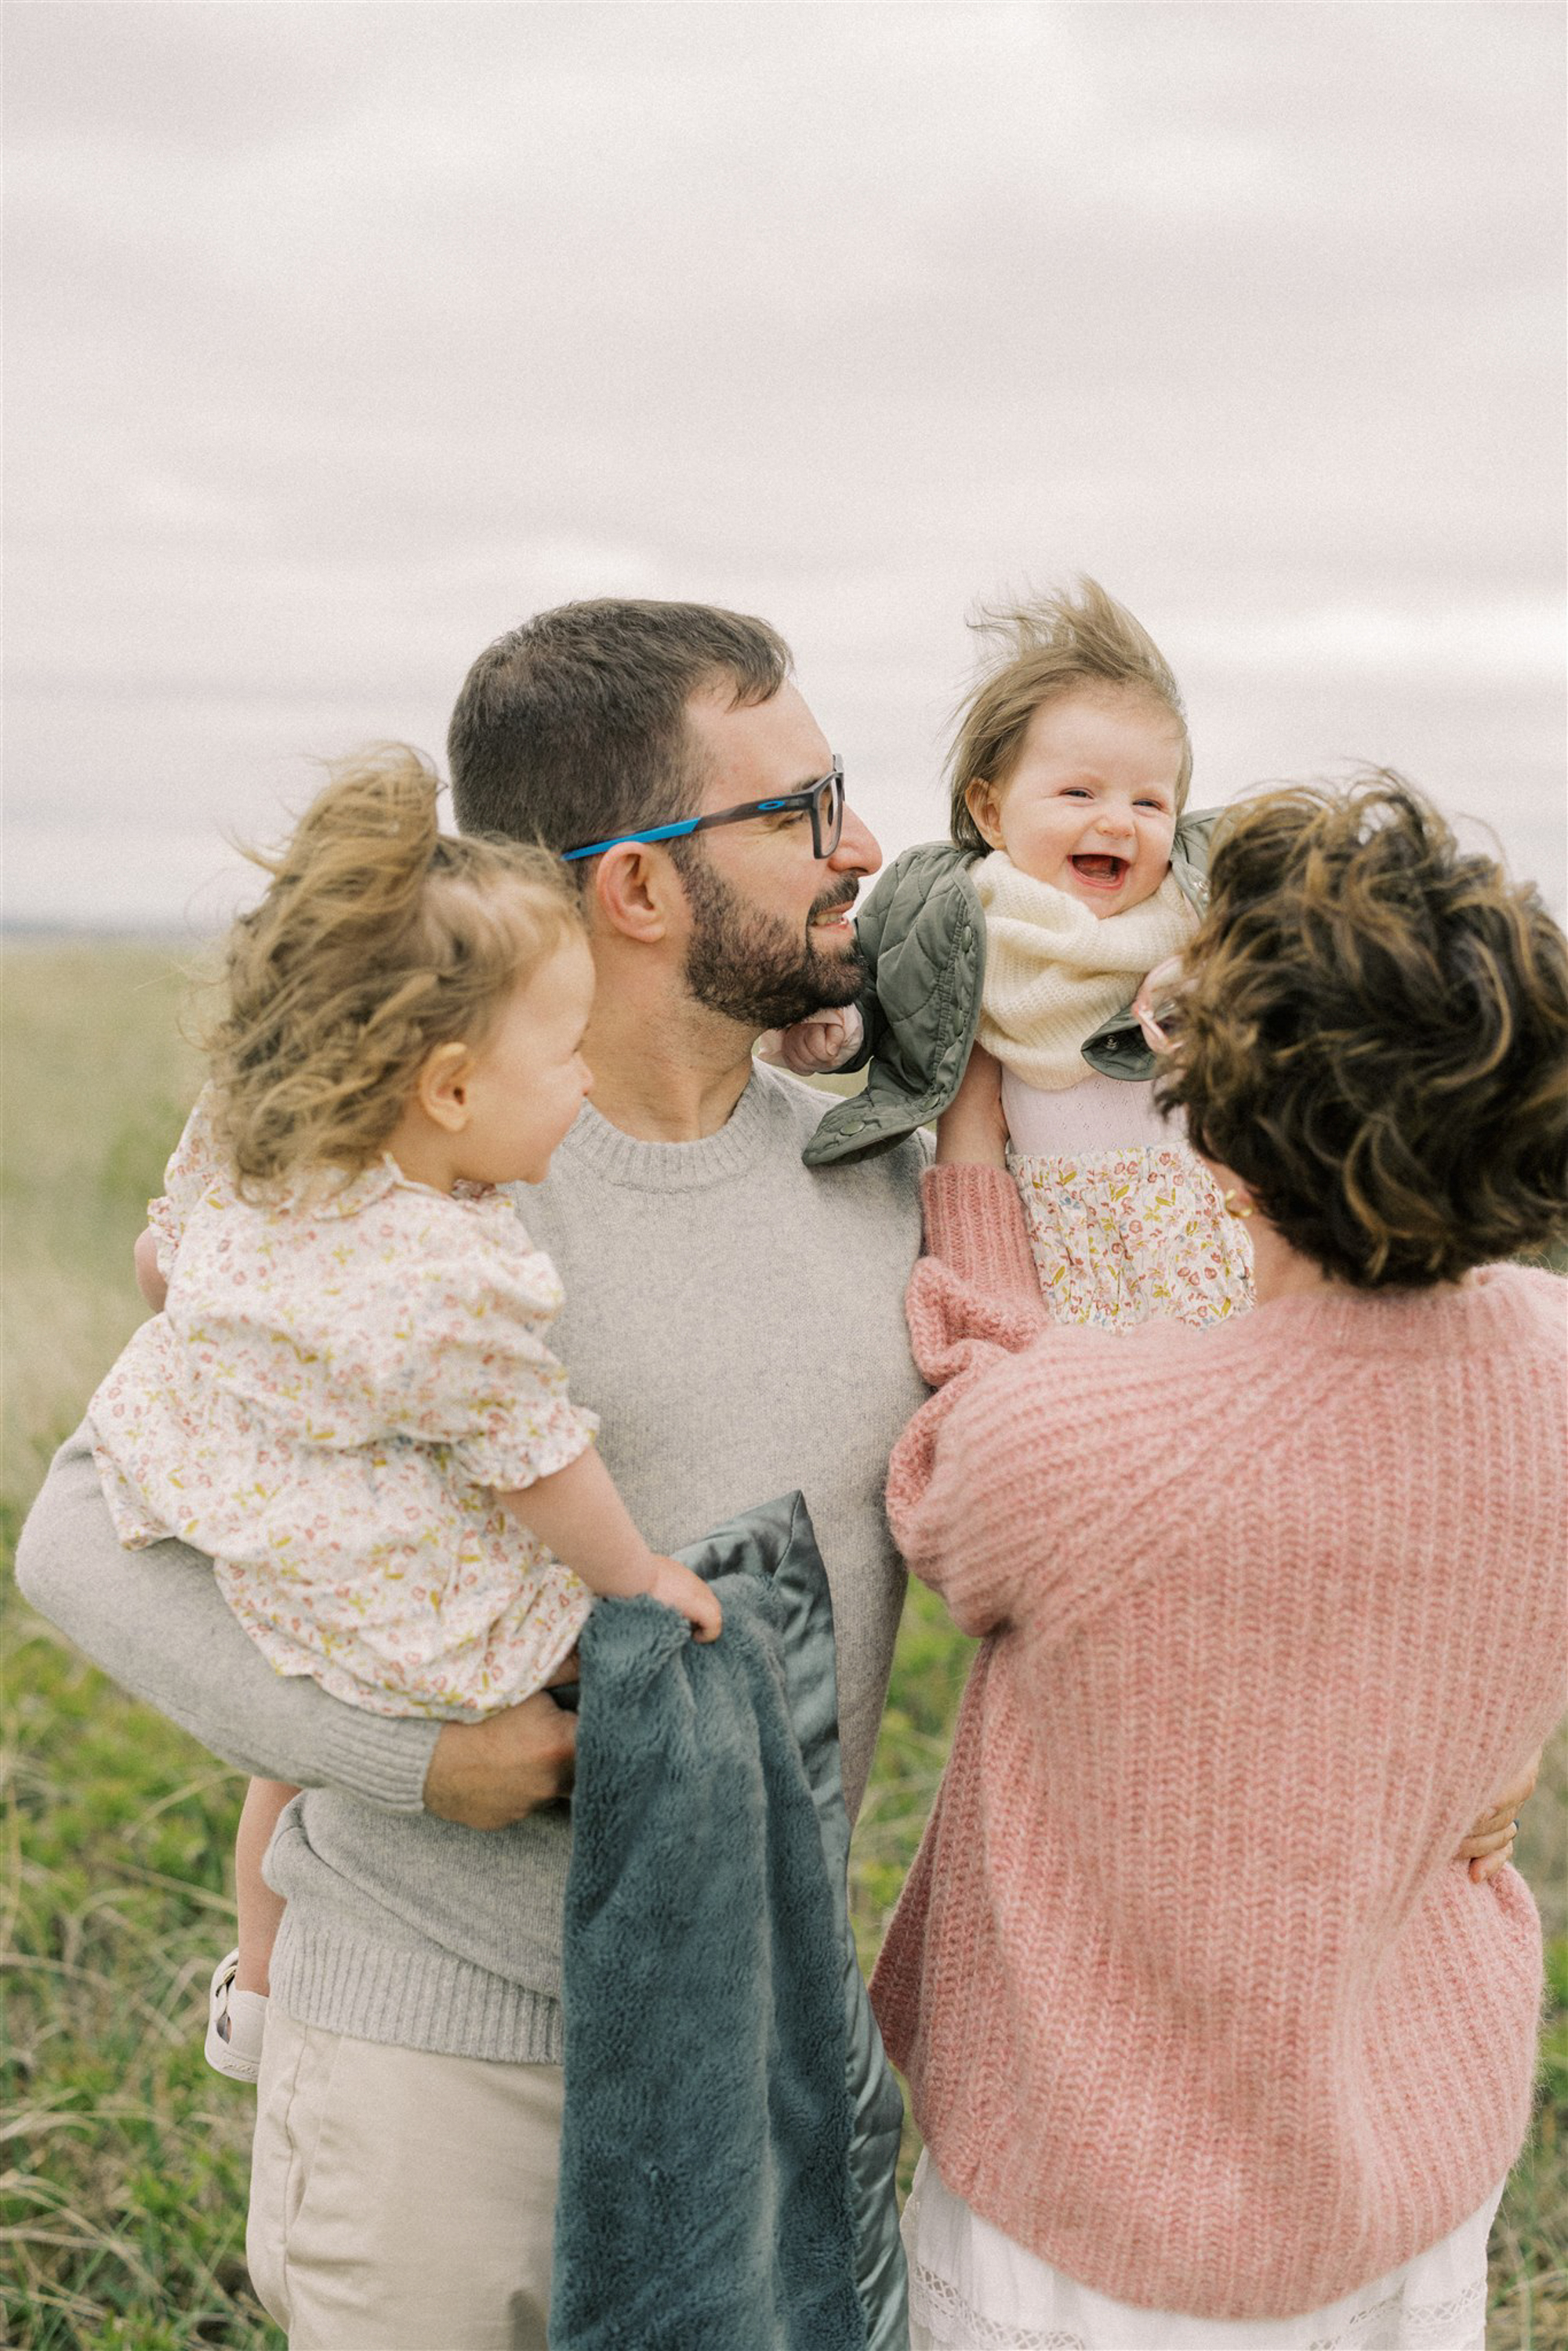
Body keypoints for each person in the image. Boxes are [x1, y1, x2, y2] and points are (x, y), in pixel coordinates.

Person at [16, 600, 929, 2349]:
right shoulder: (403, 1186)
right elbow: (75, 1538)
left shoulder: (882, 1168)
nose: (862, 845)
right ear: (638, 884)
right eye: (804, 809)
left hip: (749, 2061)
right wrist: (419, 1762)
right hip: (438, 2066)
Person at [869, 775, 1567, 2351]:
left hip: (1096, 2225)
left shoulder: (1084, 1442)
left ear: (1227, 1139)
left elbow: (951, 1480)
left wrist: (971, 1159)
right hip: (1418, 2176)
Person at [86, 749, 720, 2087]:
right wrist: (637, 1576)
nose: (585, 1082)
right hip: (364, 1555)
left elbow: (163, 1256)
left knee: (286, 1757)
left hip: (226, 1490)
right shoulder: (447, 1275)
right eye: (564, 1052)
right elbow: (538, 1458)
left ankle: (258, 1985)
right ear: (449, 1089)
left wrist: (227, 1339)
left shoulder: (279, 1151)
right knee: (557, 1655)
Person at [768, 579, 1253, 1329]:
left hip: (1227, 1267)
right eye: (1080, 793)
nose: (1119, 822)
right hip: (1072, 1289)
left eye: (1150, 802)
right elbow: (892, 976)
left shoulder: (1197, 922)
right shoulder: (962, 931)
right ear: (991, 812)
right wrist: (847, 1025)